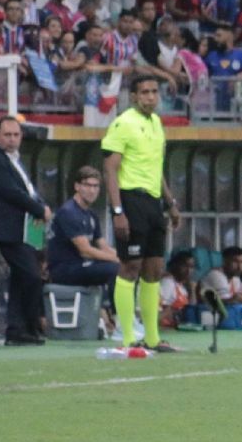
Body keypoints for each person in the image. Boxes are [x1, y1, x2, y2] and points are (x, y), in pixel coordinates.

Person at [102, 75, 182, 352]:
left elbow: (156, 167)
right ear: (134, 96)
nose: (150, 96)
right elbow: (110, 169)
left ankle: (152, 338)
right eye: (145, 92)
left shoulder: (157, 123)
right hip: (130, 199)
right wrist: (118, 211)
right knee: (130, 266)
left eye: (154, 91)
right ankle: (126, 337)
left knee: (154, 268)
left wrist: (170, 202)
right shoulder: (123, 123)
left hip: (153, 202)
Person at [0, 116, 51, 345]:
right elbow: (11, 192)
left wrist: (41, 206)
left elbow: (28, 190)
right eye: (7, 135)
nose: (12, 139)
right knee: (32, 276)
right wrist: (39, 209)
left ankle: (17, 331)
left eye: (16, 135)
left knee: (20, 277)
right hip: (8, 228)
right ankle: (29, 325)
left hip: (23, 228)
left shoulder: (15, 160)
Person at [46, 165, 120, 292]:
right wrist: (116, 260)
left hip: (83, 265)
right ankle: (117, 306)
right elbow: (85, 251)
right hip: (65, 269)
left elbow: (104, 247)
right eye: (87, 185)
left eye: (96, 186)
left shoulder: (91, 215)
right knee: (116, 269)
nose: (92, 191)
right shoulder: (69, 212)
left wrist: (124, 260)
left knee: (126, 269)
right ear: (77, 186)